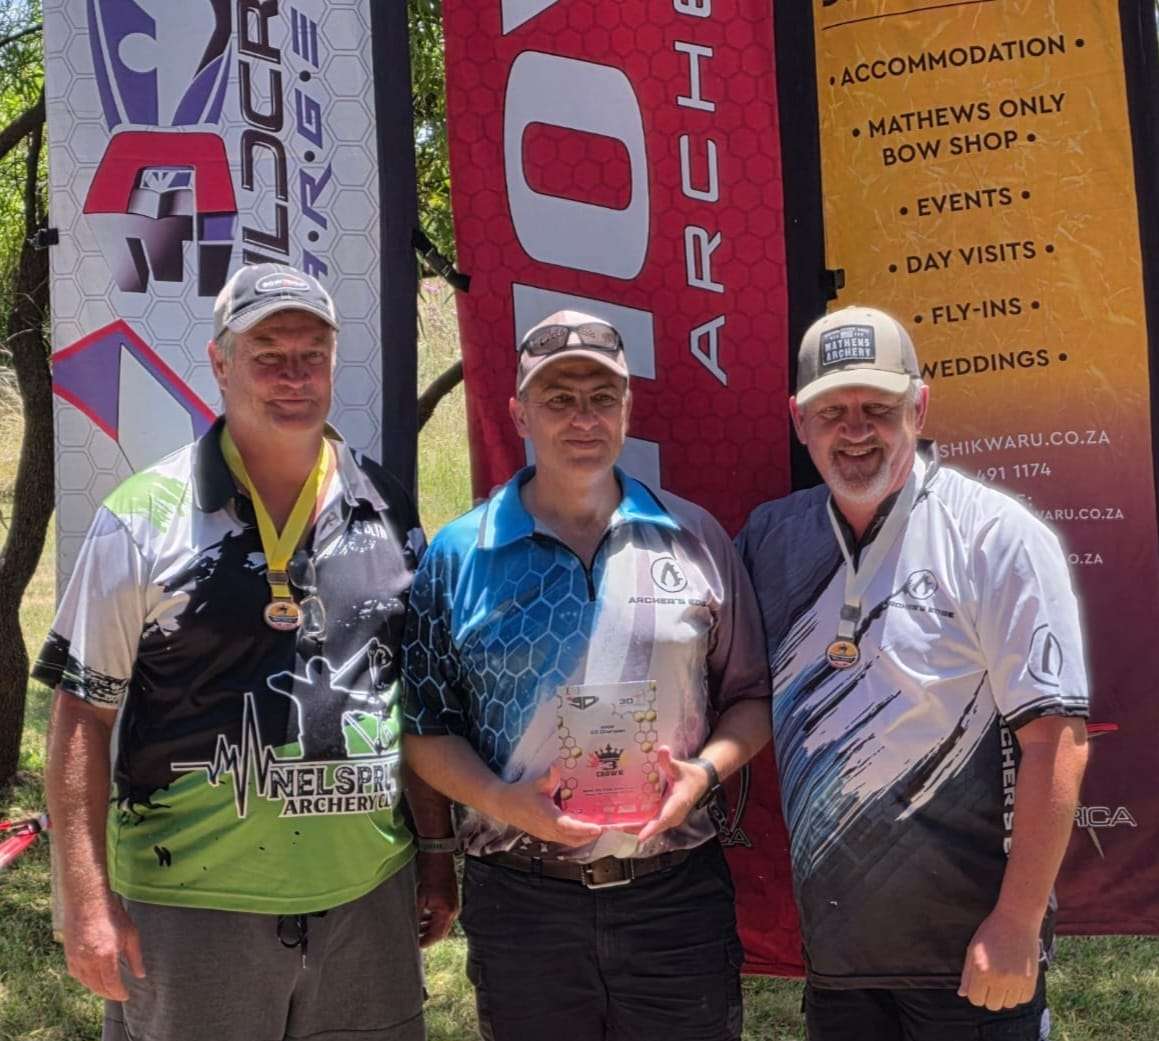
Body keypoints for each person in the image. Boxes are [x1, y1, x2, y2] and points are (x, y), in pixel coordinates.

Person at [37, 263, 458, 1041]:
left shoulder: (386, 504)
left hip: (367, 898)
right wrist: (85, 901)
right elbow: (81, 714)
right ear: (221, 363)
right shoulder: (142, 518)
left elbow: (406, 695)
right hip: (193, 907)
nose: (293, 375)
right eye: (268, 355)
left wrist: (434, 849)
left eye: (311, 355)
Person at [400, 310, 771, 1041]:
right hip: (523, 900)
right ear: (519, 413)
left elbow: (752, 698)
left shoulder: (695, 538)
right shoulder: (459, 555)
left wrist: (702, 773)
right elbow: (425, 729)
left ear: (628, 409)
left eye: (602, 397)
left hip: (674, 896)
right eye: (558, 398)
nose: (583, 418)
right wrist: (501, 800)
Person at [736, 305, 1090, 1040]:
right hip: (837, 959)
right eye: (832, 411)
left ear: (919, 407)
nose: (855, 430)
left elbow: (1056, 740)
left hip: (969, 952)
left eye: (878, 407)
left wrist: (1017, 920)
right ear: (798, 420)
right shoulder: (769, 539)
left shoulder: (995, 536)